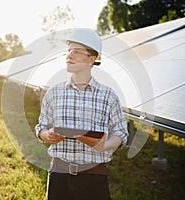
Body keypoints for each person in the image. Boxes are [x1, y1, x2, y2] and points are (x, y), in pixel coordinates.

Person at [35, 28, 128, 200]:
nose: (69, 56)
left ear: (91, 59)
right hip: (59, 176)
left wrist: (104, 146)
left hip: (95, 178)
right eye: (68, 51)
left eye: (76, 51)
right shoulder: (53, 93)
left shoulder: (108, 95)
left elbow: (121, 133)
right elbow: (41, 127)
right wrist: (48, 135)